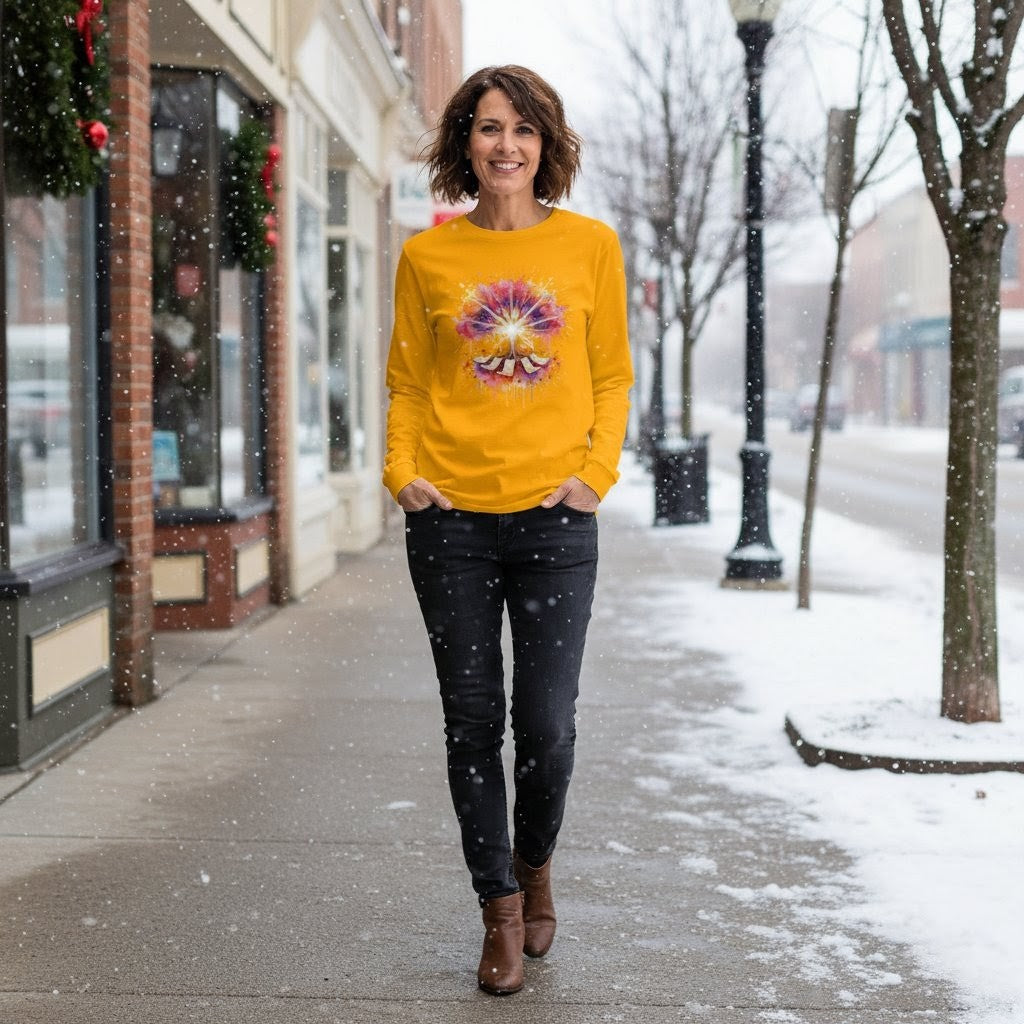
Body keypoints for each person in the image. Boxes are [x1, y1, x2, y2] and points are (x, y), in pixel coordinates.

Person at [382, 65, 633, 996]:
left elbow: (611, 377)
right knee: (471, 725)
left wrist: (594, 477)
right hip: (450, 525)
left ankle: (535, 865)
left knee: (549, 728)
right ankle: (496, 909)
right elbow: (408, 381)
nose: (506, 146)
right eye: (489, 129)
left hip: (555, 524)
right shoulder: (427, 260)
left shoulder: (590, 248)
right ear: (465, 144)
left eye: (524, 131)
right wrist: (401, 475)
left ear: (547, 146)